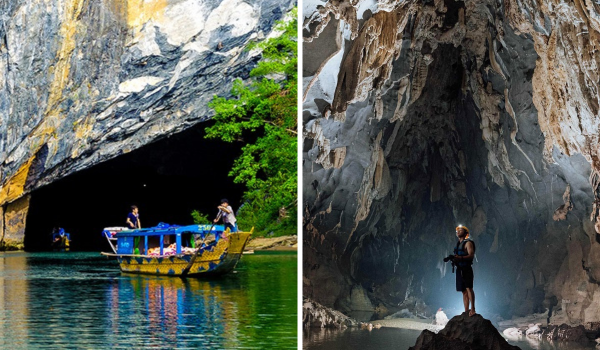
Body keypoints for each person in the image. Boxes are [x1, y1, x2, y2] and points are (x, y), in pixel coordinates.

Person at [453, 225, 476, 316]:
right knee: (463, 291)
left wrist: (461, 257)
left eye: (461, 230)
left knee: (469, 288)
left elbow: (471, 255)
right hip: (459, 269)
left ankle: (473, 309)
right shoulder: (458, 243)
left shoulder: (468, 243)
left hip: (467, 269)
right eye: (457, 230)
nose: (458, 231)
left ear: (466, 233)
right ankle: (466, 311)